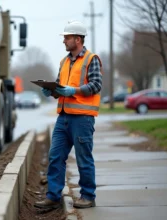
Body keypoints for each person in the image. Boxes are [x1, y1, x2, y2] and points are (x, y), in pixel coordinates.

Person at [34, 20, 103, 209]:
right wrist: (51, 91)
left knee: (83, 158)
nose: (64, 40)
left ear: (78, 39)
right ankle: (53, 197)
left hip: (82, 118)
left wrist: (74, 90)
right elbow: (60, 87)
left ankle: (88, 196)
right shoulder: (64, 61)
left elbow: (96, 85)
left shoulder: (91, 59)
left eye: (67, 37)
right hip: (63, 117)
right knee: (55, 156)